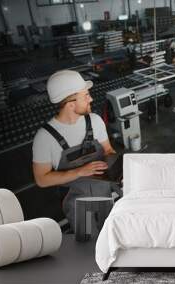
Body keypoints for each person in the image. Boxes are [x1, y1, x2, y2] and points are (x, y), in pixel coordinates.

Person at [32, 70, 120, 231]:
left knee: (109, 233)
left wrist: (119, 171)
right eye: (86, 95)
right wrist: (80, 171)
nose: (91, 99)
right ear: (71, 104)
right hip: (78, 205)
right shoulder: (44, 138)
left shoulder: (95, 120)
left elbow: (108, 150)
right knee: (87, 243)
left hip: (104, 194)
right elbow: (42, 179)